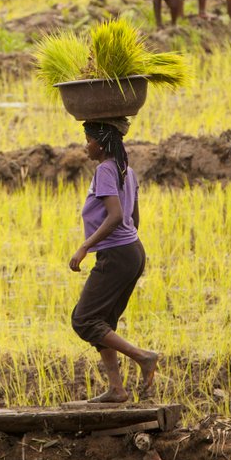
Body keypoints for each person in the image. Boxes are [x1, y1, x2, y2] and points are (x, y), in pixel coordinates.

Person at [70, 119, 160, 403]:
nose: (86, 146)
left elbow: (116, 216)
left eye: (89, 140)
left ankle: (143, 357)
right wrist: (125, 246)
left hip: (118, 254)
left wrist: (85, 247)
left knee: (84, 320)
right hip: (132, 251)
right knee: (102, 322)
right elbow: (134, 218)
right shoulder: (126, 171)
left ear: (101, 144)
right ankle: (116, 389)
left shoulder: (105, 170)